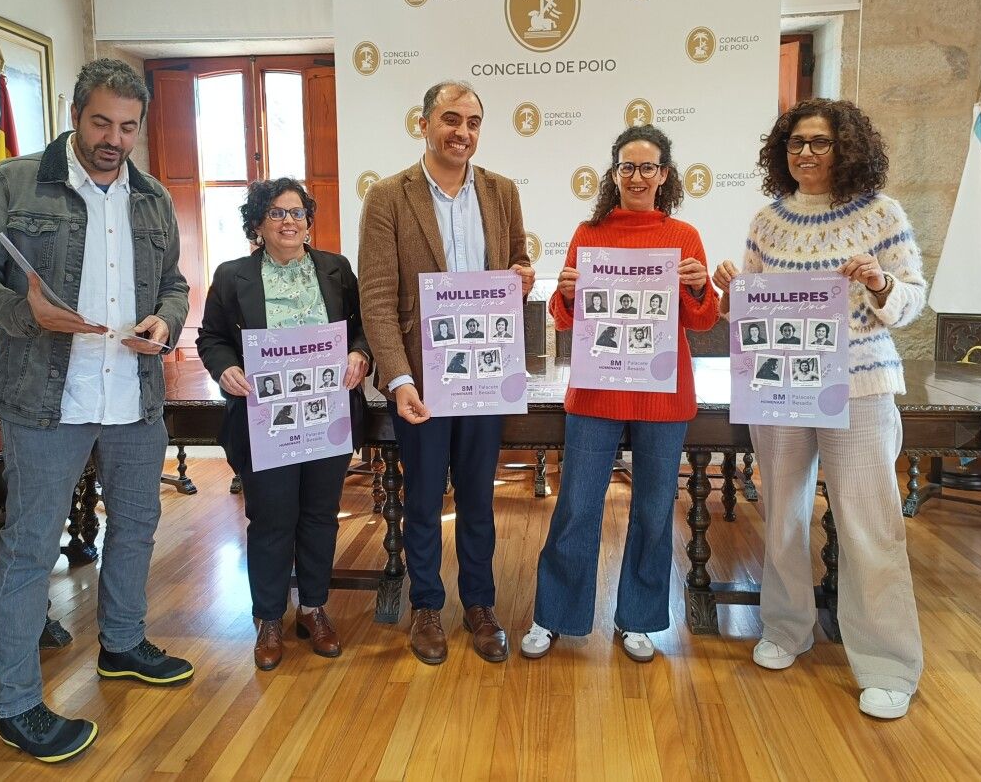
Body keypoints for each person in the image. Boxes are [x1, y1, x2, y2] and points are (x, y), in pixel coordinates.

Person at [0, 58, 192, 762]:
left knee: (138, 527)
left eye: (128, 127)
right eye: (101, 123)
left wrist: (165, 323)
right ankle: (17, 704)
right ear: (75, 114)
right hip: (43, 400)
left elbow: (174, 282)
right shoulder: (15, 182)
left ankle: (121, 643)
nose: (114, 139)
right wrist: (23, 312)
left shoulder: (153, 199)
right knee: (28, 549)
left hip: (134, 397)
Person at [713, 98, 926, 720]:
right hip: (781, 389)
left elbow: (912, 299)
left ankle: (887, 661)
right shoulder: (767, 222)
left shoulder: (883, 214)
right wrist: (729, 292)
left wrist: (881, 284)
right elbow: (750, 313)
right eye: (796, 143)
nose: (806, 153)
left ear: (847, 148)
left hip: (860, 388)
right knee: (782, 513)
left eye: (820, 142)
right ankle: (785, 629)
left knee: (869, 523)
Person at [523, 124, 717, 663]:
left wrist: (701, 287)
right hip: (596, 393)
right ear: (614, 174)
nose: (637, 176)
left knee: (655, 512)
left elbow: (701, 320)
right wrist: (563, 294)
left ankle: (639, 618)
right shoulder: (589, 234)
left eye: (647, 167)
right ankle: (553, 614)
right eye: (627, 167)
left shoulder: (684, 236)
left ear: (665, 175)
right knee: (577, 507)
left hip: (662, 395)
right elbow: (566, 319)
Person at [359, 79, 534, 665]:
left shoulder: (503, 191)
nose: (463, 132)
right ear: (425, 122)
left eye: (474, 122)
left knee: (480, 498)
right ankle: (427, 606)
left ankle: (480, 606)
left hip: (485, 373)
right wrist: (399, 380)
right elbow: (378, 298)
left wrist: (522, 276)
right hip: (423, 383)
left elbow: (516, 264)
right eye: (451, 119)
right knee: (424, 496)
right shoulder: (388, 196)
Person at [197, 178, 371, 671]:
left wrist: (361, 354)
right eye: (276, 213)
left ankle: (313, 609)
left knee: (320, 514)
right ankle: (269, 618)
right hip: (263, 419)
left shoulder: (335, 270)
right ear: (258, 223)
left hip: (327, 415)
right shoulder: (233, 276)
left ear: (308, 221)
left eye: (297, 212)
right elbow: (211, 338)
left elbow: (362, 325)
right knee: (272, 519)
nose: (289, 221)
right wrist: (224, 367)